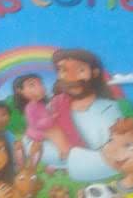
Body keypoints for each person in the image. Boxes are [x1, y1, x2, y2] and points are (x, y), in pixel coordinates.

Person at [49, 49, 122, 181]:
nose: (71, 78)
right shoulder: (55, 107)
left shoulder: (110, 107)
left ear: (94, 73)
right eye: (64, 70)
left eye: (80, 70)